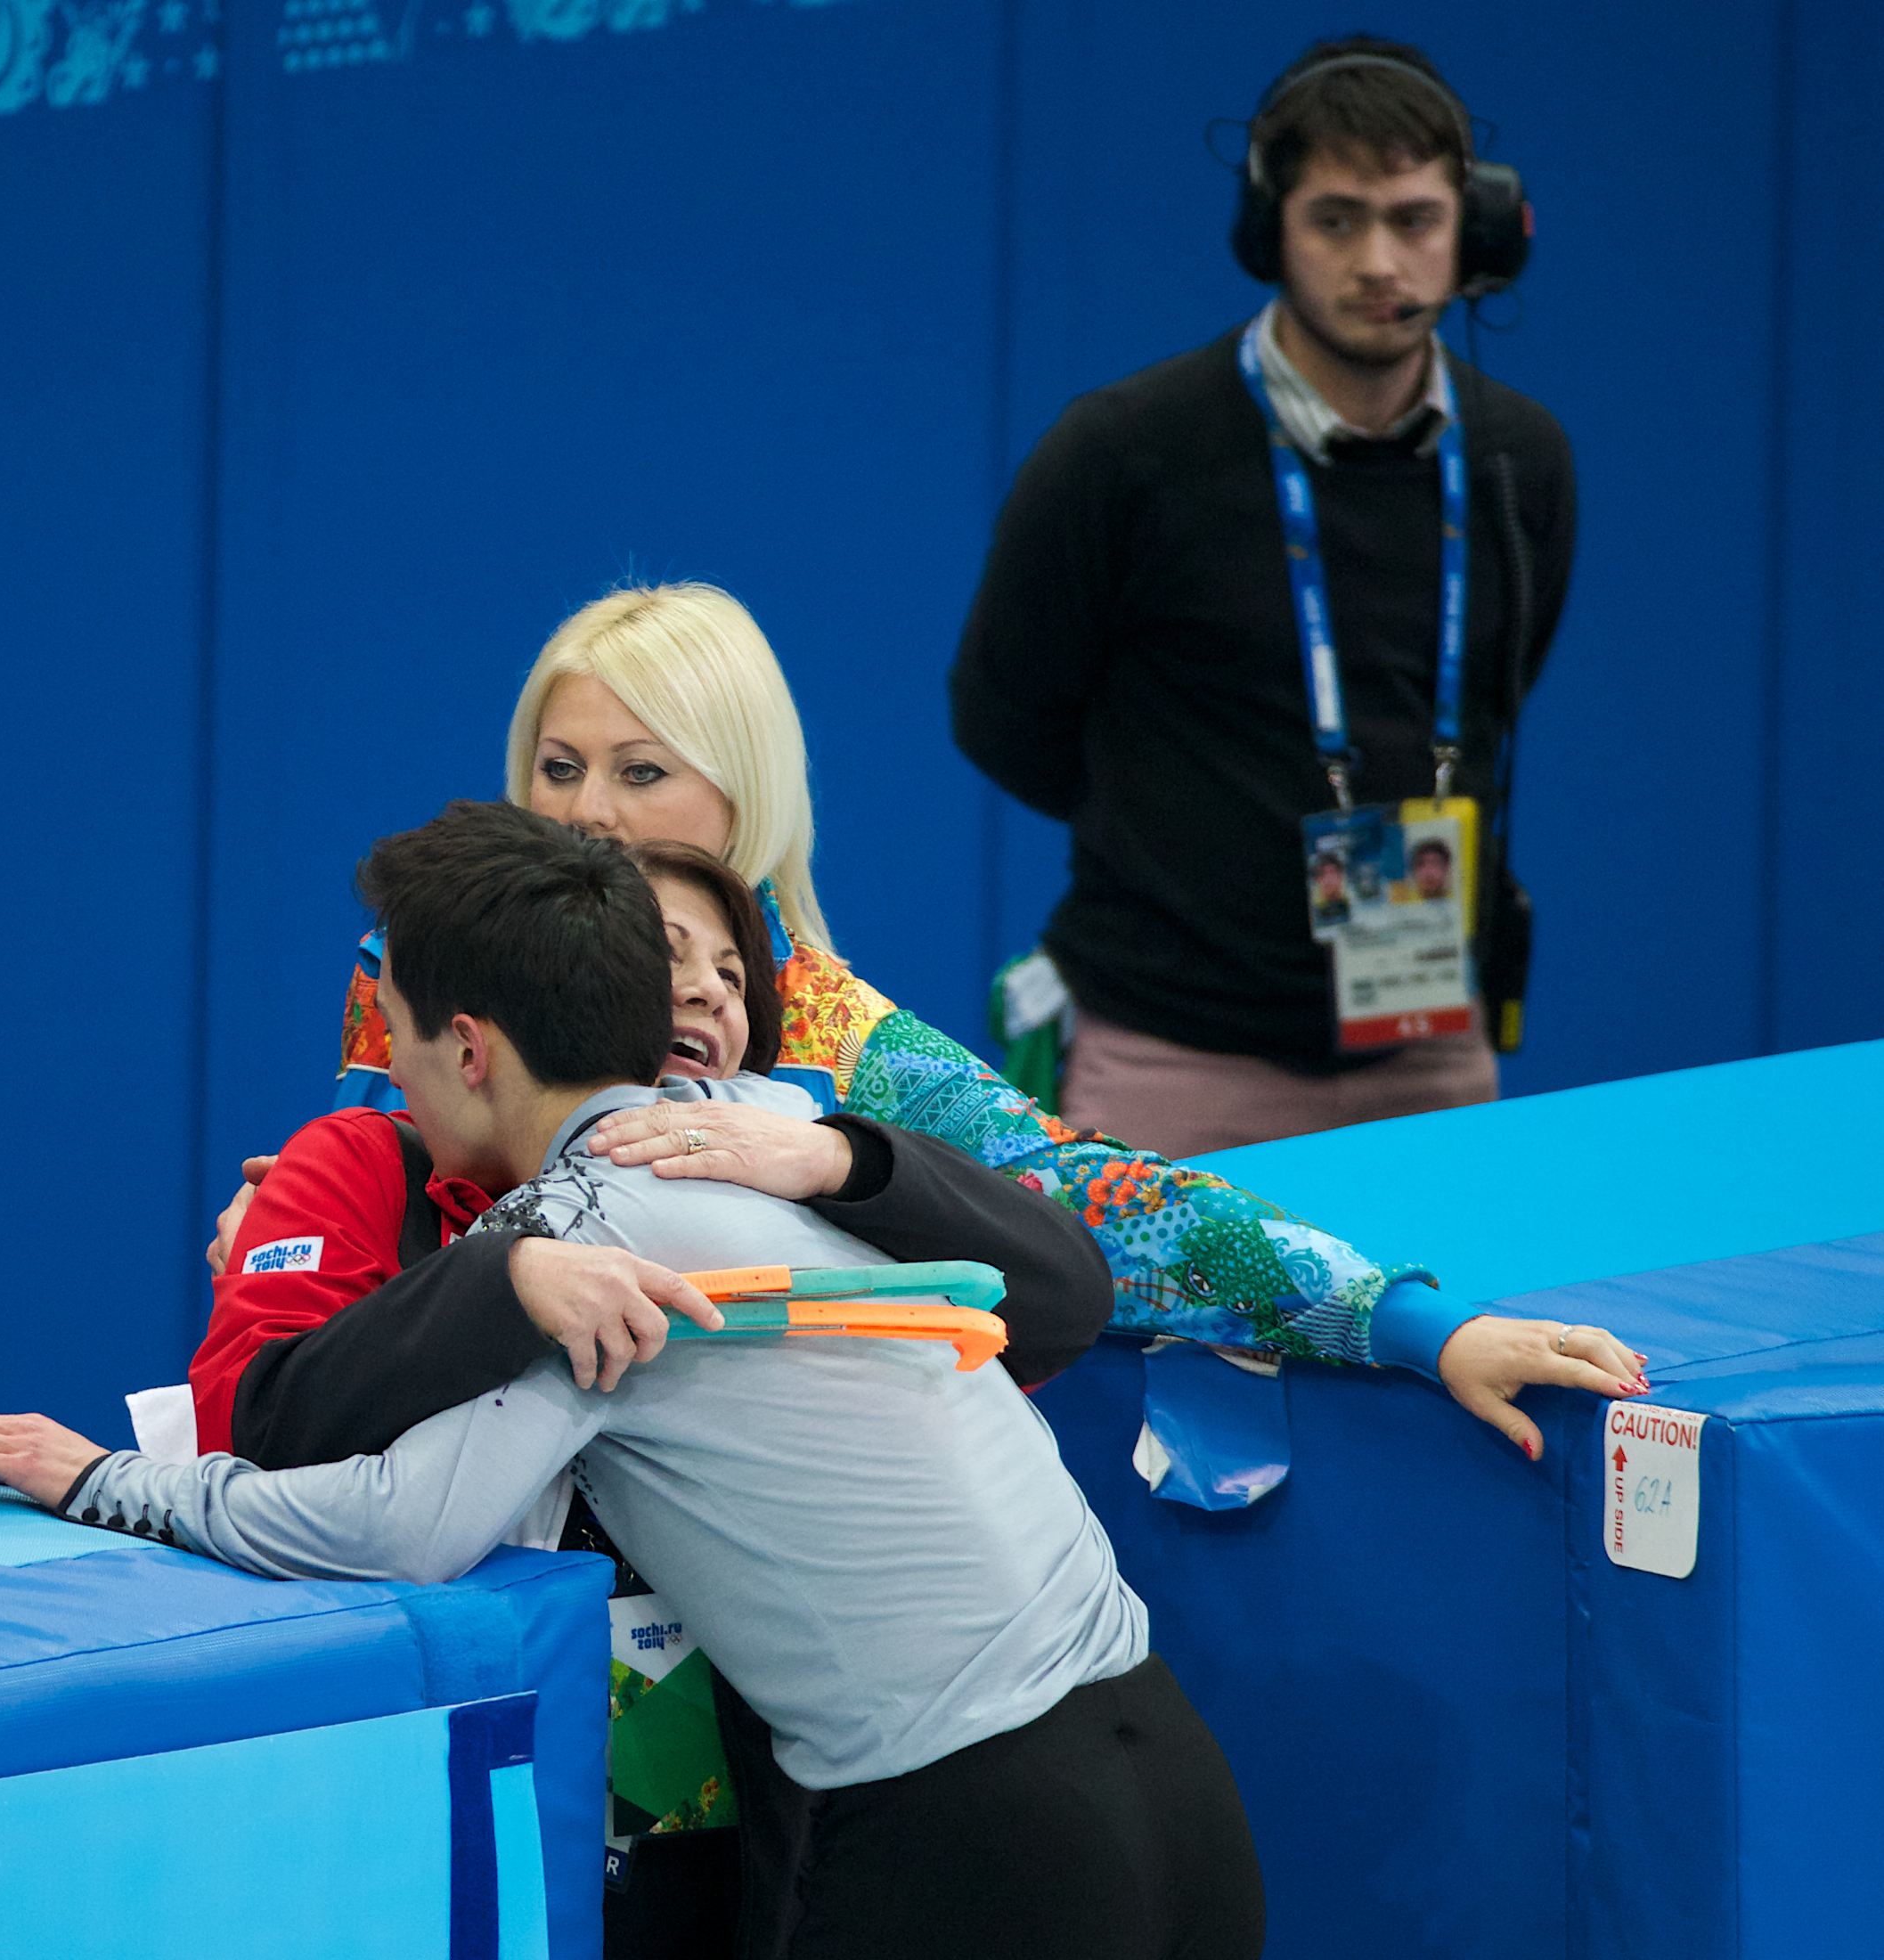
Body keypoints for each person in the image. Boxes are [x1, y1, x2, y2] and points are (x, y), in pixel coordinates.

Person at [0, 801, 1268, 1960]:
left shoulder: (587, 1223)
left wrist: (109, 1482)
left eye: (396, 1035)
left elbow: (400, 1521)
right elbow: (1064, 1278)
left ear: (467, 1050)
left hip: (982, 1835)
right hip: (1177, 1781)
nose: (388, 1074)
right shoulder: (772, 1132)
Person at [222, 579, 1638, 1459]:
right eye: (561, 765)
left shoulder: (838, 1037)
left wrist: (1407, 1325)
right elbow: (355, 1232)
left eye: (644, 772)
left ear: (744, 804)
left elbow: (1102, 1205)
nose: (590, 811)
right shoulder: (410, 960)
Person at [200, 836, 1123, 1960]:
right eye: (666, 957)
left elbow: (1071, 1291)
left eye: (733, 971)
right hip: (512, 1783)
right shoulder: (377, 1162)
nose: (698, 989)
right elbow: (263, 1423)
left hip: (827, 1802)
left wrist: (840, 1160)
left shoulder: (790, 1162)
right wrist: (504, 1276)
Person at [949, 37, 1577, 1159]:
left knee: (1453, 1336)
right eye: (1336, 219)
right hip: (1172, 1051)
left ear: (1472, 230)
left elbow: (1496, 693)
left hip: (1428, 1042)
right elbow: (1006, 716)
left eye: (1414, 219)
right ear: (1268, 232)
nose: (1379, 259)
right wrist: (1179, 840)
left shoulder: (1518, 458)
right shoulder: (1124, 453)